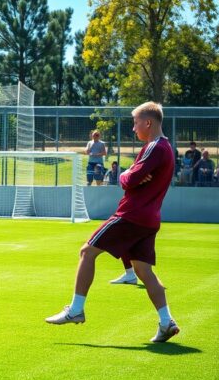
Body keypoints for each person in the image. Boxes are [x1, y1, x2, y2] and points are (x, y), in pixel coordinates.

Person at [46, 102, 180, 343]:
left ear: (148, 122)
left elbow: (130, 179)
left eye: (135, 123)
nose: (133, 128)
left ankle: (75, 310)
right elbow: (138, 177)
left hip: (131, 215)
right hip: (149, 219)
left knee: (87, 252)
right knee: (143, 271)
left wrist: (125, 174)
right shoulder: (166, 148)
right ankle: (166, 321)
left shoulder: (154, 147)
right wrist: (133, 175)